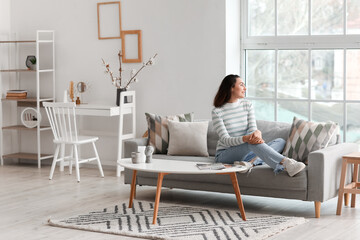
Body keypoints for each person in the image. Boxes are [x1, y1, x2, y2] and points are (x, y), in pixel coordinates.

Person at [212, 74, 305, 177]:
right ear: (231, 88)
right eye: (241, 85)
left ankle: (250, 163)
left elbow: (252, 129)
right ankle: (287, 163)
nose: (245, 88)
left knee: (280, 142)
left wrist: (256, 133)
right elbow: (225, 139)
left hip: (246, 152)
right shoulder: (217, 111)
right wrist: (246, 138)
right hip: (225, 154)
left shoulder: (247, 105)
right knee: (250, 142)